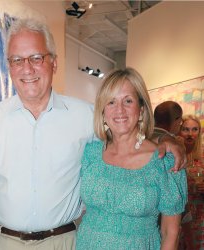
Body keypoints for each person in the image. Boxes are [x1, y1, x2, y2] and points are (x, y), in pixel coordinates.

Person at [0, 18, 186, 250]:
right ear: (9, 66)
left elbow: (126, 134)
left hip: (66, 242)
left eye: (37, 58)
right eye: (17, 60)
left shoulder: (84, 116)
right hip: (6, 242)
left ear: (54, 63)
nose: (27, 68)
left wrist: (166, 139)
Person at [76, 68, 187, 250]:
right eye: (111, 102)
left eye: (128, 101)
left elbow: (170, 233)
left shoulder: (164, 161)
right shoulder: (91, 153)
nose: (119, 110)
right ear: (103, 110)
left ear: (141, 109)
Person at [178, 115, 204, 250]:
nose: (190, 134)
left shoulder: (203, 155)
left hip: (199, 218)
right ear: (179, 131)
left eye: (194, 130)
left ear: (199, 132)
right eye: (185, 129)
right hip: (177, 216)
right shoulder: (174, 154)